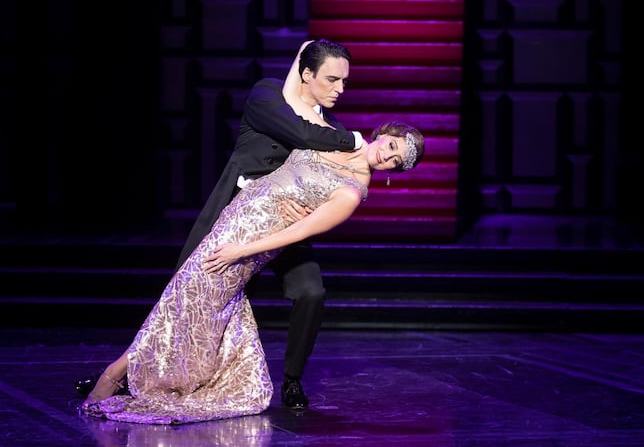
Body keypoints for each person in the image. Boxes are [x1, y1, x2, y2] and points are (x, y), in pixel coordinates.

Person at [79, 120, 425, 425]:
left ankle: (113, 376)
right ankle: (154, 374)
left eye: (396, 161)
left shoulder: (352, 192)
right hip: (234, 219)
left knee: (181, 302)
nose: (387, 158)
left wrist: (241, 251)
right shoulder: (336, 138)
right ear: (384, 133)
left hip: (249, 244)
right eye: (391, 147)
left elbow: (298, 233)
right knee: (182, 301)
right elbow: (290, 106)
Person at [181, 38, 361, 410]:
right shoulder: (267, 95)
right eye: (331, 80)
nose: (339, 89)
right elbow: (301, 135)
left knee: (311, 292)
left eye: (344, 82)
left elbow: (338, 182)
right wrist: (356, 140)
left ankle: (292, 379)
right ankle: (134, 377)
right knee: (186, 294)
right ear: (306, 73)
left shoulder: (331, 125)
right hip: (234, 219)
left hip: (283, 227)